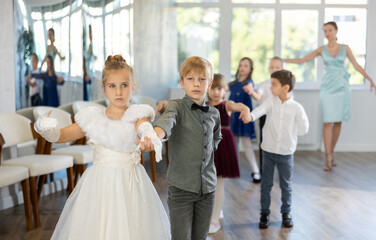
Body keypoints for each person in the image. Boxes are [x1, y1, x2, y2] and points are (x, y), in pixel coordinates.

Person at [33, 55, 170, 240]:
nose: (119, 92)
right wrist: (47, 130)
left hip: (131, 183)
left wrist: (149, 136)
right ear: (104, 88)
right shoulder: (92, 117)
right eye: (112, 86)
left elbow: (144, 127)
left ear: (133, 86)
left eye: (124, 85)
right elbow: (62, 135)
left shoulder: (138, 114)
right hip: (99, 182)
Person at [283, 21, 376, 171]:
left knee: (338, 122)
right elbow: (302, 60)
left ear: (336, 31)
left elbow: (356, 65)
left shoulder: (345, 48)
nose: (327, 33)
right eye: (325, 31)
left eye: (330, 30)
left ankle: (331, 153)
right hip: (327, 88)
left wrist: (370, 79)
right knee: (327, 122)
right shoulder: (321, 50)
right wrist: (282, 61)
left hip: (342, 87)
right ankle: (327, 156)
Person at [153, 56, 222, 240]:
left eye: (202, 79)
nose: (196, 84)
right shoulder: (176, 106)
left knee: (200, 237)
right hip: (181, 188)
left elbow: (216, 137)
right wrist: (156, 135)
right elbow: (167, 122)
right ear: (182, 82)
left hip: (207, 189)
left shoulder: (214, 113)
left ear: (210, 83)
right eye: (190, 79)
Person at [245, 70, 309, 229]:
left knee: (286, 185)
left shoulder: (296, 108)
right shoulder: (270, 102)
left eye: (274, 85)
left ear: (285, 88)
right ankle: (264, 213)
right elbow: (258, 112)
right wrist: (249, 117)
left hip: (286, 154)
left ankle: (286, 213)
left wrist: (293, 133)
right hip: (268, 151)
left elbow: (303, 129)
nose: (270, 87)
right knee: (266, 184)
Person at [207, 73, 252, 233]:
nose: (216, 92)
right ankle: (215, 211)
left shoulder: (226, 105)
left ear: (224, 90)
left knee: (219, 183)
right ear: (207, 88)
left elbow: (238, 106)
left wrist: (245, 109)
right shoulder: (203, 105)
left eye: (220, 88)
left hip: (223, 145)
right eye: (213, 88)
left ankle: (214, 220)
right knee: (208, 183)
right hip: (207, 146)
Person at [229, 57, 261, 183]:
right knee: (234, 143)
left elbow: (251, 89)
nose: (242, 68)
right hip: (234, 118)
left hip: (244, 118)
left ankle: (255, 171)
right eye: (241, 65)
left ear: (250, 69)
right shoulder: (233, 84)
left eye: (246, 66)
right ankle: (233, 169)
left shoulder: (249, 83)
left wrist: (250, 89)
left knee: (246, 144)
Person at [251, 56, 284, 174]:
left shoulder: (285, 86)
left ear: (282, 68)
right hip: (265, 117)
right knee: (264, 142)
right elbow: (258, 96)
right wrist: (251, 92)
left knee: (279, 142)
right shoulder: (264, 85)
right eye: (272, 67)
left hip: (280, 117)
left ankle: (280, 168)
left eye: (277, 67)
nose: (274, 69)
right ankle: (264, 169)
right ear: (269, 68)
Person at [83, 25, 97, 101]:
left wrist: (90, 75)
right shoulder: (89, 46)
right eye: (89, 33)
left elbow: (95, 60)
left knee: (92, 97)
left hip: (91, 75)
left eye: (90, 32)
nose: (89, 35)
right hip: (87, 75)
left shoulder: (94, 45)